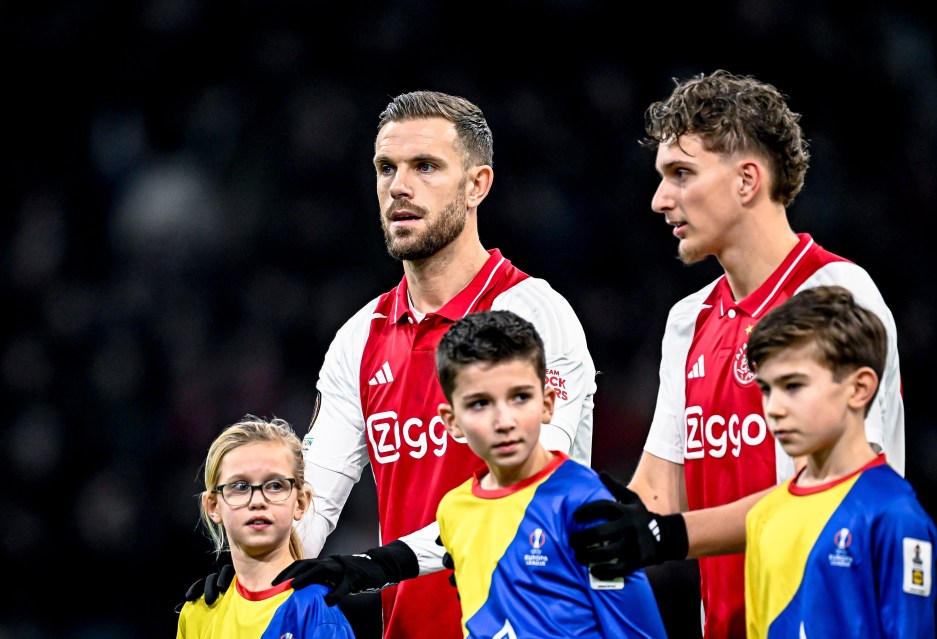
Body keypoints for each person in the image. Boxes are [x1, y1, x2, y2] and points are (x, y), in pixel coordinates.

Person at [187, 91, 597, 639]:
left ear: (478, 184)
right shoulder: (359, 339)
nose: (399, 187)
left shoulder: (534, 315)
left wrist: (383, 564)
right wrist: (249, 575)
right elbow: (314, 499)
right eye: (387, 168)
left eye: (425, 167)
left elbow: (527, 497)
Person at [569, 70, 905, 639]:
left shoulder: (835, 295)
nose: (659, 200)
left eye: (681, 174)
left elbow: (832, 492)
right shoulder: (688, 320)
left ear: (747, 180)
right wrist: (560, 523)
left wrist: (665, 537)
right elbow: (658, 492)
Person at [434, 309, 667, 639]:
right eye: (480, 403)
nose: (504, 421)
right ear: (451, 420)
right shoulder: (453, 510)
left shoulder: (588, 505)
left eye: (520, 397)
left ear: (547, 403)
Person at [744, 285, 937, 637]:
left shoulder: (894, 515)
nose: (774, 408)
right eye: (766, 389)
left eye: (794, 386)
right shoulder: (762, 517)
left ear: (859, 388)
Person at [177, 415, 356, 639]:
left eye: (274, 485)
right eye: (240, 486)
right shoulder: (196, 614)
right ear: (213, 505)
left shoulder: (315, 610)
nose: (257, 500)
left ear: (301, 502)